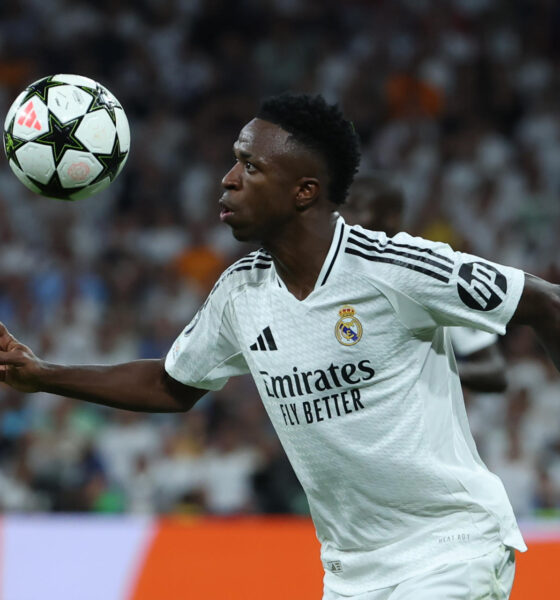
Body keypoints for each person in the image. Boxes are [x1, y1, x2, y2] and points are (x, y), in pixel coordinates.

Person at [1, 93, 559, 600]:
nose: (227, 179)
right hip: (349, 573)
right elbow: (171, 386)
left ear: (304, 192)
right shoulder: (241, 292)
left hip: (449, 551)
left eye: (250, 165)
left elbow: (546, 301)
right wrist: (42, 373)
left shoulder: (394, 268)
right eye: (234, 160)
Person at [343, 175, 507, 393]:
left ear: (391, 218)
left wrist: (425, 370)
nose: (345, 219)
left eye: (357, 210)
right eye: (342, 209)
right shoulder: (337, 276)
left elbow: (495, 372)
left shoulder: (432, 275)